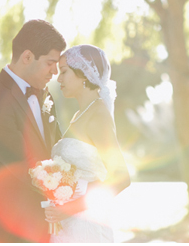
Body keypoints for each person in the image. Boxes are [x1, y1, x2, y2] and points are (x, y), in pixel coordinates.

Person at [0, 19, 67, 242]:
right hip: (8, 229)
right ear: (27, 57)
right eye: (50, 63)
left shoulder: (47, 96)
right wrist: (66, 190)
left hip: (45, 227)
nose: (55, 71)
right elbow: (21, 164)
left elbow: (60, 149)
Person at [45, 44, 130, 242]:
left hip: (87, 224)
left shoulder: (99, 115)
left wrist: (69, 209)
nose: (59, 79)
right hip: (67, 224)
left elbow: (122, 178)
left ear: (83, 75)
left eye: (64, 72)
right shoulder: (80, 114)